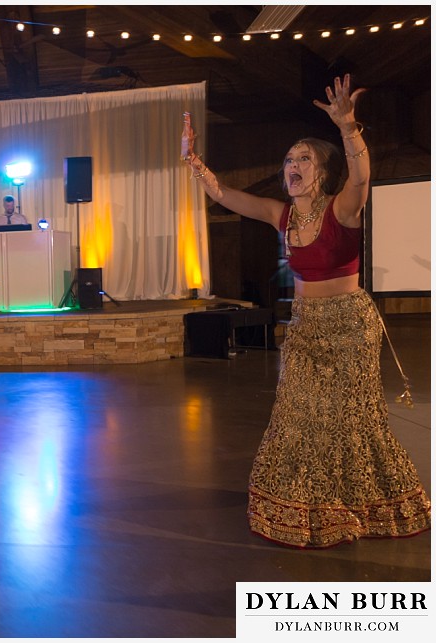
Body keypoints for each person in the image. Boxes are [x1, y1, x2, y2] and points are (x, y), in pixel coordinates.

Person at [181, 74, 431, 547]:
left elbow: (363, 176)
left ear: (321, 171)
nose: (292, 164)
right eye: (289, 159)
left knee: (350, 418)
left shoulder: (343, 209)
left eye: (304, 159)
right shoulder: (284, 215)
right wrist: (194, 160)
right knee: (299, 416)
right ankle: (309, 507)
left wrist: (348, 128)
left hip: (350, 327)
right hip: (305, 328)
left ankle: (362, 503)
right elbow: (224, 196)